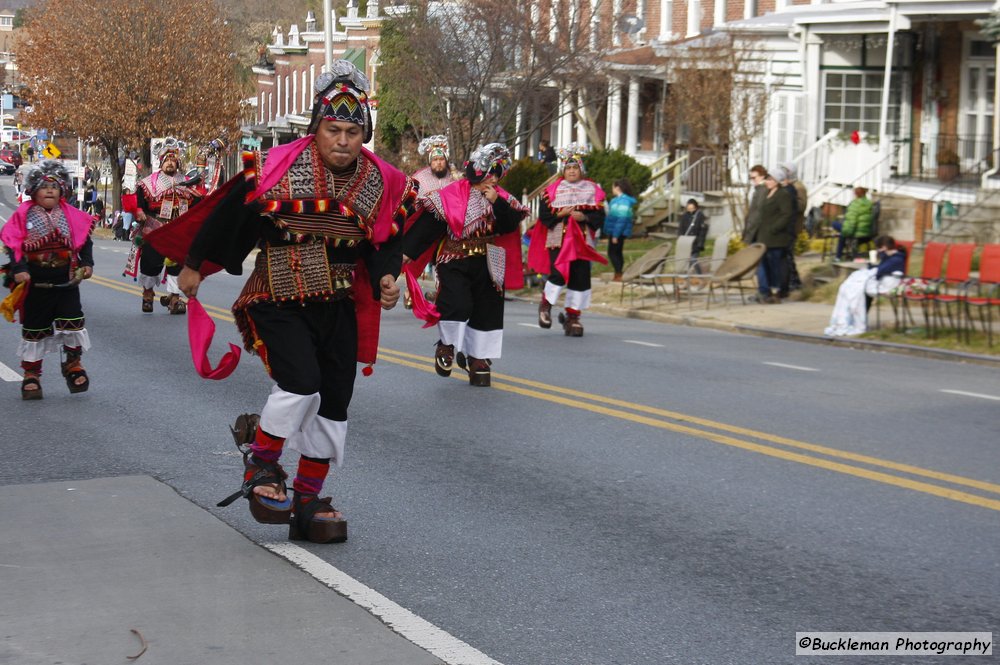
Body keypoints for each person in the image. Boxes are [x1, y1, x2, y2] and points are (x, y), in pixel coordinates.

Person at [149, 60, 417, 544]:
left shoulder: (381, 183)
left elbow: (383, 243)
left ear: (365, 134)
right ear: (316, 127)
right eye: (333, 129)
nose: (342, 140)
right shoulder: (275, 167)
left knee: (335, 402)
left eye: (353, 131)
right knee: (301, 382)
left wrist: (389, 277)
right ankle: (262, 463)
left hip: (336, 304)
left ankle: (308, 500)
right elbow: (229, 216)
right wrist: (192, 264)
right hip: (277, 296)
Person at [403, 143, 528, 387]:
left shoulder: (502, 198)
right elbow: (430, 226)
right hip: (455, 258)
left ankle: (479, 358)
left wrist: (498, 203)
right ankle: (447, 345)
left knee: (487, 309)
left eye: (496, 174)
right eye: (487, 173)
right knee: (457, 303)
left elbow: (510, 225)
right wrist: (407, 252)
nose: (490, 178)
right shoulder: (452, 195)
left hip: (489, 261)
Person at [0, 160, 95, 400]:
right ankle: (32, 374)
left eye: (55, 186)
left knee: (73, 322)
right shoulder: (23, 215)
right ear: (33, 190)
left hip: (66, 281)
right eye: (44, 186)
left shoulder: (72, 215)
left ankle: (73, 365)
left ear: (63, 189)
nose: (50, 190)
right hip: (35, 283)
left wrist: (87, 264)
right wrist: (20, 268)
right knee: (34, 330)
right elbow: (13, 244)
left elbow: (86, 242)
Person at [527, 142, 607, 336]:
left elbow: (600, 216)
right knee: (558, 274)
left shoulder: (592, 190)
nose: (572, 171)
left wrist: (585, 217)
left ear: (581, 170)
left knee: (580, 277)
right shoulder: (552, 191)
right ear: (563, 170)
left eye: (575, 168)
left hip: (582, 240)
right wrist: (561, 214)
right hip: (558, 239)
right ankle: (546, 305)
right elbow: (545, 217)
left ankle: (573, 317)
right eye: (569, 168)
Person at [133, 137, 201, 314]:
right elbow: (139, 203)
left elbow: (196, 204)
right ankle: (148, 294)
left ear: (177, 162)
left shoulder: (187, 182)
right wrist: (139, 212)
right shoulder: (148, 183)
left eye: (173, 160)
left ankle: (174, 298)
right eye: (167, 160)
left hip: (178, 231)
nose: (170, 163)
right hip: (155, 229)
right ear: (161, 162)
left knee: (177, 264)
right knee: (151, 263)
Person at [824, 235, 906, 336]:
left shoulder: (896, 259)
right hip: (881, 282)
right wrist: (871, 264)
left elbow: (880, 271)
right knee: (852, 287)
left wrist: (880, 260)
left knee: (859, 289)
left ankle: (858, 320)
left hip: (888, 286)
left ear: (884, 247)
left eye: (878, 248)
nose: (877, 250)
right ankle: (856, 318)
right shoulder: (890, 257)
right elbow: (880, 268)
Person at [751, 167, 794, 304]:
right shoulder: (767, 193)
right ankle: (764, 290)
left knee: (775, 265)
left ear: (777, 181)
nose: (767, 182)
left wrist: (775, 228)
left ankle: (776, 290)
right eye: (767, 179)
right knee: (762, 264)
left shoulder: (783, 195)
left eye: (770, 179)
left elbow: (786, 214)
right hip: (763, 236)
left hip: (776, 238)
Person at [778, 162, 806, 295]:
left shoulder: (798, 187)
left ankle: (795, 281)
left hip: (793, 226)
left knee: (788, 255)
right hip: (787, 226)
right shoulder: (788, 186)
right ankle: (791, 280)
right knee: (786, 255)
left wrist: (789, 199)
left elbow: (801, 206)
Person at [603, 178, 636, 281]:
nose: (612, 189)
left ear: (617, 188)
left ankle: (618, 273)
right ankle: (618, 273)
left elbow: (622, 219)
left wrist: (616, 235)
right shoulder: (616, 200)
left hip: (617, 232)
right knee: (617, 252)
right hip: (614, 230)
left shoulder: (623, 201)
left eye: (613, 187)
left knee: (612, 252)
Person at [835, 187, 874, 260]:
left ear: (856, 194)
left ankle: (838, 257)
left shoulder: (855, 204)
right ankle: (838, 257)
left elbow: (851, 222)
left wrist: (846, 233)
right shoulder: (869, 203)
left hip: (857, 233)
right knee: (843, 233)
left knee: (837, 227)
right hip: (867, 232)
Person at [677, 198, 709, 271]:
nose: (690, 210)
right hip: (686, 242)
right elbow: (681, 228)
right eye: (689, 209)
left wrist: (700, 243)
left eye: (692, 208)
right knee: (686, 261)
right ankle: (686, 277)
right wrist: (680, 239)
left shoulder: (700, 216)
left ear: (696, 207)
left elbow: (703, 231)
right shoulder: (685, 216)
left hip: (696, 242)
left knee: (693, 260)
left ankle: (700, 276)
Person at [741, 164, 767, 244]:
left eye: (754, 178)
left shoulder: (762, 189)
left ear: (762, 176)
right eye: (751, 178)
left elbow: (759, 211)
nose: (752, 180)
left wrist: (750, 229)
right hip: (754, 228)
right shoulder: (759, 189)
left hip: (756, 230)